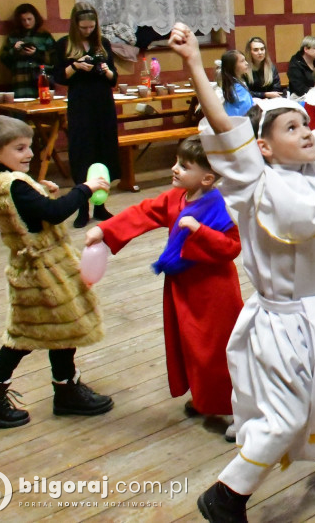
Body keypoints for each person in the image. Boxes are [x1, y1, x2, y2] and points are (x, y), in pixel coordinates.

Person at [171, 4, 315, 520]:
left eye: (305, 123)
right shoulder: (252, 180)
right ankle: (226, 495)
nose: (305, 131)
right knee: (284, 412)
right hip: (278, 320)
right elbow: (224, 128)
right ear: (264, 146)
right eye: (289, 127)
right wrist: (194, 62)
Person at [0, 115, 113, 429]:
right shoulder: (16, 186)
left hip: (41, 268)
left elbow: (31, 210)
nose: (29, 153)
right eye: (19, 148)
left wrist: (40, 191)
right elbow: (54, 213)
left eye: (29, 146)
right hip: (41, 273)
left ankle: (66, 387)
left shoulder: (6, 182)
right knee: (24, 336)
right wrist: (84, 189)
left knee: (59, 329)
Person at [85, 135, 242, 430]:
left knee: (216, 348)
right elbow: (142, 212)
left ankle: (235, 408)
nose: (175, 169)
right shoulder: (175, 198)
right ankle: (205, 397)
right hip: (182, 286)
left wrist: (200, 232)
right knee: (190, 345)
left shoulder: (220, 206)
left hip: (213, 290)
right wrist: (105, 232)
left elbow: (231, 247)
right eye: (176, 162)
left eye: (184, 166)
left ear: (207, 178)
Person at [52, 2, 119, 228]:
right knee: (83, 153)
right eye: (83, 28)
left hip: (103, 104)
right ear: (75, 25)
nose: (88, 31)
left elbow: (113, 78)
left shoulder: (103, 44)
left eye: (91, 27)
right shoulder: (64, 45)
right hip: (80, 105)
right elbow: (59, 76)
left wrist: (106, 70)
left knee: (102, 152)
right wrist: (76, 66)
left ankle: (100, 206)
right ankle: (82, 208)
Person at [2, 3, 55, 99]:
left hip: (40, 81)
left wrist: (36, 53)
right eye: (23, 20)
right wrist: (14, 50)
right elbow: (5, 60)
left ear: (35, 18)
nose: (27, 23)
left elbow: (55, 58)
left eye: (29, 19)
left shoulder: (44, 36)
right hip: (20, 82)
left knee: (42, 111)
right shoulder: (13, 37)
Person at [218, 49, 255, 117]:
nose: (246, 63)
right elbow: (249, 111)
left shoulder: (232, 84)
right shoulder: (238, 89)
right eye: (242, 61)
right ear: (233, 66)